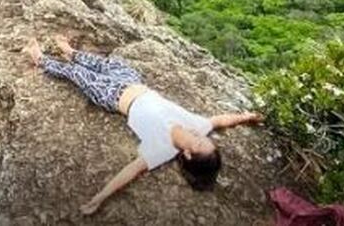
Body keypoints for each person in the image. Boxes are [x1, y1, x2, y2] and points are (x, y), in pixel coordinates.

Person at [24, 35, 264, 215]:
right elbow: (220, 120)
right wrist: (247, 116)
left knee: (77, 74)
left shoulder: (163, 149)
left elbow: (130, 171)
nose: (202, 135)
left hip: (113, 96)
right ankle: (70, 51)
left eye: (200, 143)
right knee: (109, 64)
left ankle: (40, 59)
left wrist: (99, 198)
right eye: (206, 139)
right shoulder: (198, 126)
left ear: (188, 154)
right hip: (134, 82)